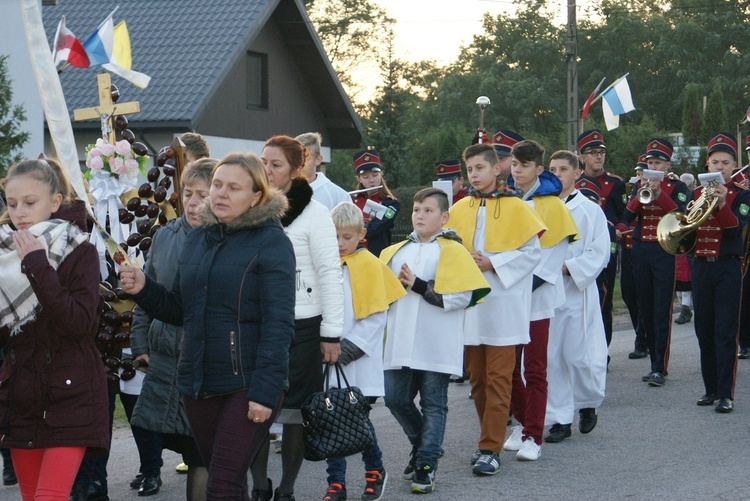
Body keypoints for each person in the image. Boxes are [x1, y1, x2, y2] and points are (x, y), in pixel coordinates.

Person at [120, 151, 297, 499]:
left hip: (247, 385)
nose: (220, 194)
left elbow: (278, 324)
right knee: (223, 478)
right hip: (197, 383)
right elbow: (180, 309)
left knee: (222, 484)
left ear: (256, 196)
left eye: (233, 187)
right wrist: (144, 289)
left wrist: (264, 392)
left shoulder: (273, 243)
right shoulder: (199, 238)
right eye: (217, 184)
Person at [0, 158, 109, 500]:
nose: (19, 212)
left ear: (55, 201)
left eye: (30, 203)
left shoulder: (81, 249)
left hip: (70, 392)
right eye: (11, 203)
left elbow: (80, 324)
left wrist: (37, 265)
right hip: (21, 395)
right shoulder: (4, 253)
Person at [250, 135, 343, 501]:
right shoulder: (252, 208)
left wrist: (331, 334)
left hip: (303, 325)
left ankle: (286, 489)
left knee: (294, 415)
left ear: (294, 169)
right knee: (254, 410)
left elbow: (329, 273)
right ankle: (260, 486)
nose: (268, 170)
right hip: (257, 322)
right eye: (264, 162)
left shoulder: (315, 213)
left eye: (275, 164)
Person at [380, 187, 489, 493]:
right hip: (400, 337)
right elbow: (380, 295)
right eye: (416, 210)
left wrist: (417, 285)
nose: (420, 215)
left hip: (436, 337)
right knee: (395, 399)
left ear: (444, 217)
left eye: (428, 211)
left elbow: (460, 297)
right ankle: (422, 445)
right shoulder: (393, 252)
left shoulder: (452, 251)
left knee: (433, 404)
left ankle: (426, 464)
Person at [450, 143, 544, 475]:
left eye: (479, 168)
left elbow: (533, 253)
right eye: (469, 170)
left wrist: (494, 261)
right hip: (471, 306)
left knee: (499, 378)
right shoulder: (460, 207)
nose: (473, 175)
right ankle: (487, 438)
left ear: (497, 168)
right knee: (477, 380)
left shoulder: (517, 206)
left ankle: (490, 448)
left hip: (504, 305)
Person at [129, 158, 216, 501]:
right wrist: (139, 343)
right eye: (189, 194)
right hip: (164, 358)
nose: (193, 203)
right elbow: (148, 293)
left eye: (203, 195)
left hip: (203, 361)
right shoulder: (165, 235)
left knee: (200, 450)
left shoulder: (223, 239)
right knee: (162, 432)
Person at [322, 202, 405, 501]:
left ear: (361, 234)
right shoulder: (324, 264)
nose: (340, 243)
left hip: (355, 357)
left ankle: (375, 469)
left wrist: (348, 348)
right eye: (335, 237)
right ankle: (336, 483)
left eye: (347, 237)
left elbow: (376, 315)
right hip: (325, 359)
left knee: (357, 418)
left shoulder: (371, 264)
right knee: (331, 420)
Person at [504, 140, 578, 461]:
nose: (517, 170)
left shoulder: (554, 206)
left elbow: (552, 260)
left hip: (535, 297)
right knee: (506, 367)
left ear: (539, 168)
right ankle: (522, 422)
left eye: (524, 165)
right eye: (514, 164)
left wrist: (517, 284)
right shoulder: (504, 201)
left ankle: (534, 435)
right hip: (506, 296)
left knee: (534, 367)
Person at [545, 150, 610, 443]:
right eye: (552, 169)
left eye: (562, 169)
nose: (556, 174)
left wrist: (570, 268)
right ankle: (560, 418)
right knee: (552, 355)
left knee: (578, 355)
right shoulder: (540, 207)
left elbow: (600, 251)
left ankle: (587, 402)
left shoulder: (589, 210)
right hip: (546, 292)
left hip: (576, 291)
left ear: (576, 173)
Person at [616, 138, 691, 387]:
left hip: (664, 251)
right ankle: (652, 361)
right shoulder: (639, 186)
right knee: (645, 306)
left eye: (657, 162)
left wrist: (659, 194)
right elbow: (628, 215)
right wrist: (641, 194)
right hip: (640, 250)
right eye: (649, 162)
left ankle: (661, 366)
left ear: (667, 164)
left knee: (662, 310)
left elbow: (681, 214)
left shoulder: (677, 186)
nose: (653, 166)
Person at [690, 133, 750, 413]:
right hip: (701, 265)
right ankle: (710, 389)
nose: (720, 167)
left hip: (727, 266)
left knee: (725, 331)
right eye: (715, 162)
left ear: (733, 165)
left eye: (726, 163)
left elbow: (735, 229)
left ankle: (726, 394)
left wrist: (724, 202)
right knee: (704, 330)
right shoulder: (694, 194)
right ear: (708, 164)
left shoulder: (742, 194)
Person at [575, 130, 626, 357]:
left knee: (603, 298)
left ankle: (601, 351)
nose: (598, 157)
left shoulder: (615, 183)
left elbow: (623, 215)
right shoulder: (575, 183)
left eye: (601, 152)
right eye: (593, 153)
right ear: (582, 157)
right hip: (579, 247)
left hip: (606, 245)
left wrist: (618, 230)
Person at [351, 150, 400, 257]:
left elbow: (374, 229)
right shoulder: (350, 201)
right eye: (366, 177)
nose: (371, 180)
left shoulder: (391, 203)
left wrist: (352, 230)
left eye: (375, 175)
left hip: (377, 257)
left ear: (381, 174)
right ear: (359, 179)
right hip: (352, 255)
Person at [624, 156, 649, 359]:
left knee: (644, 296)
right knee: (629, 295)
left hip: (646, 248)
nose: (640, 175)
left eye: (643, 172)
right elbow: (627, 214)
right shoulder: (635, 187)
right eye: (639, 172)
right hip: (630, 246)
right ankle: (641, 334)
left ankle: (642, 341)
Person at [296, 132, 351, 210]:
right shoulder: (281, 192)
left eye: (305, 158)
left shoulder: (338, 197)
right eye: (295, 158)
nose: (299, 164)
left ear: (318, 160)